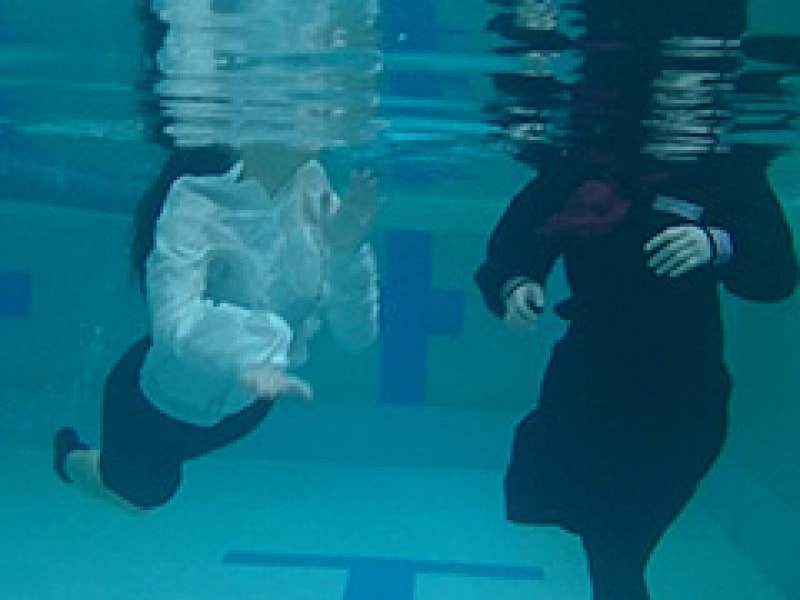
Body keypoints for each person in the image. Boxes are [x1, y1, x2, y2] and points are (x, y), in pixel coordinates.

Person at [475, 147, 797, 597]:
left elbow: (777, 273)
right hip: (590, 383)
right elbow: (515, 245)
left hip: (684, 387)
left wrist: (720, 244)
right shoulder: (577, 160)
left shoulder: (723, 166)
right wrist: (516, 283)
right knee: (611, 542)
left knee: (621, 535)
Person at [53, 142, 380, 510]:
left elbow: (357, 336)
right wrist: (261, 348)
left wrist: (347, 252)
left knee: (144, 493)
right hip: (155, 404)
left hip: (245, 410)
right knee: (142, 493)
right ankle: (69, 459)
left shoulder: (317, 198)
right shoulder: (194, 201)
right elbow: (174, 324)